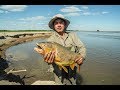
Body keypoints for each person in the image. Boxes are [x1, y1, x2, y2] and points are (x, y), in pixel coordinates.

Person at [34, 14, 86, 85]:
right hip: (58, 71)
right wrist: (48, 61)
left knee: (73, 83)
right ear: (54, 26)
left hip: (72, 68)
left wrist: (82, 57)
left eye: (61, 23)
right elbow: (47, 59)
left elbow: (82, 47)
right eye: (56, 23)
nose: (59, 25)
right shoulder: (50, 40)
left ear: (64, 24)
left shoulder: (73, 36)